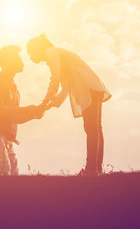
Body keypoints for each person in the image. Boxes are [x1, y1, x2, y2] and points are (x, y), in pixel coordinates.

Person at [26, 34, 111, 176]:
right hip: (92, 88)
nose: (29, 57)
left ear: (37, 49)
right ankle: (96, 169)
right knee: (94, 128)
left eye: (30, 53)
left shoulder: (51, 52)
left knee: (92, 128)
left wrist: (45, 101)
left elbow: (55, 78)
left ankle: (91, 169)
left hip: (89, 88)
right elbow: (64, 88)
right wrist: (48, 105)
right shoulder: (57, 53)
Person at [0, 45, 45, 176]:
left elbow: (13, 117)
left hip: (5, 139)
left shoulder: (14, 88)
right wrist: (26, 110)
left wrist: (33, 114)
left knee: (12, 178)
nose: (21, 60)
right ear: (9, 61)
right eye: (18, 57)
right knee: (3, 176)